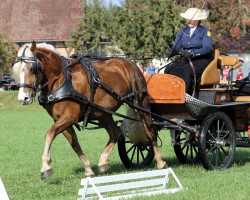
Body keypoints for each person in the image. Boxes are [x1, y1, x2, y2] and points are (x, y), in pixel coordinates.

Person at [164, 7, 213, 93]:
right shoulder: (183, 31)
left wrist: (193, 53)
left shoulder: (205, 30)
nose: (189, 20)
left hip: (201, 59)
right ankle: (170, 93)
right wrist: (171, 52)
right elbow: (176, 47)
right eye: (188, 18)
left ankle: (185, 94)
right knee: (169, 68)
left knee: (186, 70)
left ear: (197, 20)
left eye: (192, 19)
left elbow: (207, 48)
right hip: (186, 59)